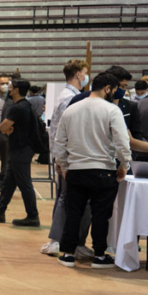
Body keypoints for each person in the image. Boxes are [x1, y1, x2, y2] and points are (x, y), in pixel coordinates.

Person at [54, 71, 131, 269]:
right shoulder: (112, 110)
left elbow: (60, 141)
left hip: (76, 170)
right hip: (103, 170)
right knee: (100, 215)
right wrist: (124, 165)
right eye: (114, 90)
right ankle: (99, 256)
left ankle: (68, 254)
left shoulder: (72, 109)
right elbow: (122, 143)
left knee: (74, 213)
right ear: (107, 88)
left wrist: (62, 164)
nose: (115, 93)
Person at [41, 60, 90, 257]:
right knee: (66, 198)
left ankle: (67, 240)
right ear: (78, 74)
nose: (87, 76)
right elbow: (63, 132)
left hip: (68, 157)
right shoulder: (69, 98)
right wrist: (62, 160)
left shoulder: (71, 96)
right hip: (69, 158)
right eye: (85, 72)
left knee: (68, 198)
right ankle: (58, 241)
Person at [0, 79, 41, 227]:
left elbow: (3, 127)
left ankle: (33, 216)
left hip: (21, 150)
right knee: (9, 182)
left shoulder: (18, 107)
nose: (9, 89)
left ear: (17, 90)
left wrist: (7, 128)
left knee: (24, 184)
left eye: (11, 87)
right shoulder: (26, 105)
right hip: (21, 149)